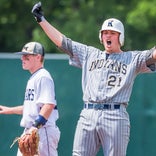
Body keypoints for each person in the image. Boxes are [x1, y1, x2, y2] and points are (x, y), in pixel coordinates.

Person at [31, 2, 156, 156]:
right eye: (105, 32)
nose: (108, 35)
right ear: (100, 36)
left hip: (115, 115)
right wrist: (41, 20)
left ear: (120, 37)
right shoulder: (89, 54)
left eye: (112, 33)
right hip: (88, 113)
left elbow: (153, 54)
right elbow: (63, 42)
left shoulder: (132, 58)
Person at [0, 41, 60, 156]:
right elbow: (33, 107)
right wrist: (9, 110)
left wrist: (35, 127)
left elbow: (48, 105)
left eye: (26, 56)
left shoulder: (43, 76)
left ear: (38, 57)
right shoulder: (35, 77)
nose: (22, 58)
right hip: (32, 130)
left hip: (43, 131)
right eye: (22, 55)